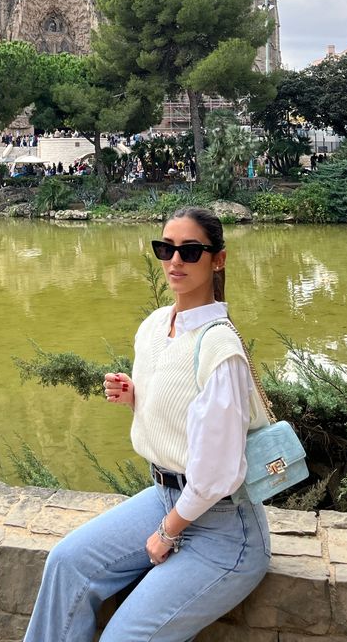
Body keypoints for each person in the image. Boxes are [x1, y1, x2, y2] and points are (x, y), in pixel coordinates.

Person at [23, 207, 271, 642]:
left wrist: (166, 532)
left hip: (224, 530)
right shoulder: (156, 326)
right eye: (166, 248)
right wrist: (136, 397)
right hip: (163, 495)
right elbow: (182, 415)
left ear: (218, 259)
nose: (175, 260)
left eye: (190, 251)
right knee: (66, 564)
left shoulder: (219, 347)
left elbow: (217, 473)